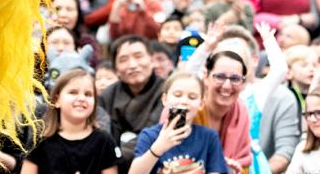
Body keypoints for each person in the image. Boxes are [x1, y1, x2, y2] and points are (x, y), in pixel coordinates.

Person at [22, 69, 118, 174]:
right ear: (56, 100)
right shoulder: (39, 141)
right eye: (73, 92)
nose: (82, 98)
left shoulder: (105, 142)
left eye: (88, 94)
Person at [131, 71, 228, 174]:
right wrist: (158, 148)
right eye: (177, 95)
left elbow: (216, 170)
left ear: (201, 104)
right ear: (165, 99)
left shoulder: (209, 137)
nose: (184, 101)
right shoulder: (149, 136)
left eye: (192, 97)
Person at [99, 36, 167, 170]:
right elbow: (102, 136)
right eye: (123, 60)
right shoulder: (107, 96)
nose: (132, 65)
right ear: (116, 69)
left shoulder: (166, 91)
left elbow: (155, 132)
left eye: (138, 56)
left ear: (152, 59)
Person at [195, 50, 252, 172]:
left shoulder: (241, 113)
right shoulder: (189, 108)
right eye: (220, 77)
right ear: (206, 77)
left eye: (235, 79)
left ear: (243, 83)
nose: (227, 86)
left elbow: (244, 164)